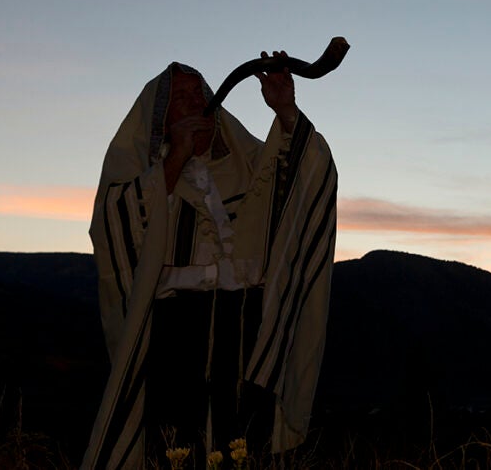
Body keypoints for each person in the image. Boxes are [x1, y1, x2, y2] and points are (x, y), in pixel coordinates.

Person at [82, 51, 337, 468]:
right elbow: (113, 224)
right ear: (159, 117)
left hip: (246, 339)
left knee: (245, 449)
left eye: (199, 94)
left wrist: (285, 109)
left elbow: (308, 178)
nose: (195, 103)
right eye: (179, 100)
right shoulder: (150, 175)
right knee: (176, 450)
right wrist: (174, 158)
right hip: (175, 341)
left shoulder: (252, 167)